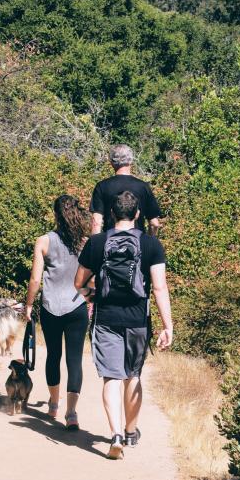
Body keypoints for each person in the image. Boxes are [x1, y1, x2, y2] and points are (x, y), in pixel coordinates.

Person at [75, 190, 173, 459]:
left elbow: (78, 283)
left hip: (106, 318)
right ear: (138, 214)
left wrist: (90, 295)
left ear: (111, 214)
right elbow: (160, 287)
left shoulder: (96, 243)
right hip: (138, 319)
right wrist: (168, 326)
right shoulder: (151, 245)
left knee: (111, 377)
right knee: (133, 375)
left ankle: (116, 433)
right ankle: (131, 432)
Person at [25, 194, 91, 430]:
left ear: (55, 214)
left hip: (51, 306)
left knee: (54, 356)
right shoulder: (85, 243)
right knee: (75, 360)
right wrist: (89, 296)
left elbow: (35, 279)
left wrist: (29, 305)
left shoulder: (43, 241)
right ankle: (71, 413)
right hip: (77, 306)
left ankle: (53, 403)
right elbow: (92, 277)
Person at [90, 144, 162, 235]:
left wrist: (96, 245)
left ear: (111, 162)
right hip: (137, 243)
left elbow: (96, 222)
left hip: (109, 244)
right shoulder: (143, 187)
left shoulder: (102, 186)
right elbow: (154, 224)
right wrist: (149, 243)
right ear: (131, 161)